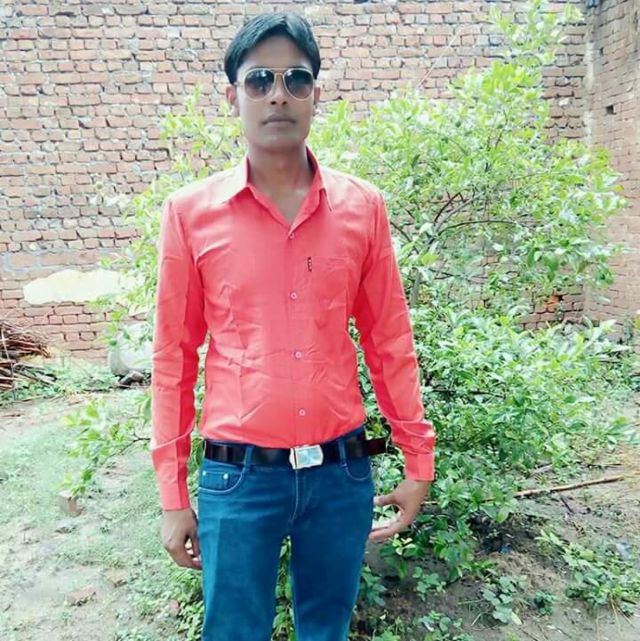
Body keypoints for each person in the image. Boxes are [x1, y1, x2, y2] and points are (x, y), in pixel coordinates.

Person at [150, 12, 436, 641]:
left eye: (295, 79)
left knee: (327, 631)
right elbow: (174, 358)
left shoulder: (362, 207)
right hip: (238, 478)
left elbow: (389, 342)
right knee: (233, 632)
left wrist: (418, 458)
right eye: (259, 80)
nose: (278, 94)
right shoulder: (191, 214)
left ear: (314, 93)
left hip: (340, 474)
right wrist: (173, 494)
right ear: (233, 97)